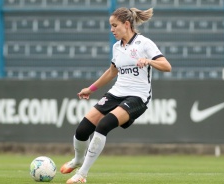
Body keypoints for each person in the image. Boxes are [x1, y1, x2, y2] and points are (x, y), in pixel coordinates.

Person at [60, 7, 172, 183]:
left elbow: (167, 66)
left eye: (114, 26)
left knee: (103, 125)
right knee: (82, 129)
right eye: (110, 26)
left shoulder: (144, 43)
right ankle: (77, 160)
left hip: (138, 97)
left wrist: (148, 61)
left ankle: (82, 174)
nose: (111, 30)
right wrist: (91, 89)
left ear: (126, 24)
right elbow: (112, 72)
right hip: (116, 93)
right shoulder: (117, 47)